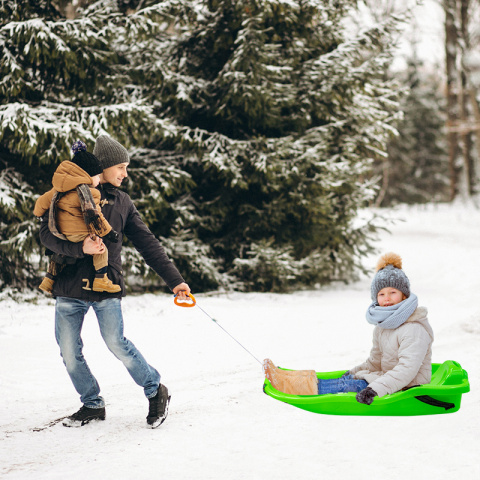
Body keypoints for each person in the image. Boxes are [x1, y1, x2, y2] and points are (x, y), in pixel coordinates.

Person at [38, 134, 191, 428]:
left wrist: (175, 282)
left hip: (106, 286)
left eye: (126, 167)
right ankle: (92, 404)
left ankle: (155, 389)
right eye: (120, 166)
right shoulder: (66, 193)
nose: (124, 173)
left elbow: (148, 244)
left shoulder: (122, 202)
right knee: (69, 352)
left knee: (116, 343)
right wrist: (78, 248)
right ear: (104, 167)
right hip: (69, 287)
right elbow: (46, 235)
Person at [264, 252, 434, 405]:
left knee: (347, 385)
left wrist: (374, 389)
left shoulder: (413, 329)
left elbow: (407, 370)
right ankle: (286, 379)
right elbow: (375, 361)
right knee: (345, 380)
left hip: (408, 388)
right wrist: (353, 372)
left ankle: (289, 387)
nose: (387, 299)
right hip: (388, 381)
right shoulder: (384, 326)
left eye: (392, 293)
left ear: (404, 295)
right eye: (381, 294)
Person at [34, 141, 120, 295]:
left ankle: (49, 279)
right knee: (101, 249)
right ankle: (101, 280)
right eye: (97, 176)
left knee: (57, 253)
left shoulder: (57, 190)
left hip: (61, 232)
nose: (99, 180)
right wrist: (108, 233)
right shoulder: (91, 193)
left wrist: (39, 214)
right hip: (81, 234)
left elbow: (41, 203)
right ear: (87, 175)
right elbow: (96, 217)